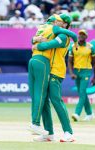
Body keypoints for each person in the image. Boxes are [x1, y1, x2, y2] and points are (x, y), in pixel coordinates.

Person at [28, 13, 77, 141]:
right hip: (49, 69)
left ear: (65, 25)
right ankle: (49, 134)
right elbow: (35, 39)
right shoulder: (54, 31)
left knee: (56, 100)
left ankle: (69, 133)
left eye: (61, 21)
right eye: (57, 20)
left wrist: (37, 45)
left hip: (57, 70)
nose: (57, 22)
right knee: (43, 100)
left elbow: (47, 46)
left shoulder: (64, 35)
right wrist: (36, 39)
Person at [68, 29, 95, 122]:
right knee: (83, 93)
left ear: (86, 37)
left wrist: (94, 77)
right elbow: (69, 61)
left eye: (83, 35)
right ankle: (90, 114)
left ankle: (77, 113)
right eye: (80, 34)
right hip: (77, 72)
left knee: (82, 92)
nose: (81, 36)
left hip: (86, 71)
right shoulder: (73, 46)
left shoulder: (90, 47)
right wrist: (71, 73)